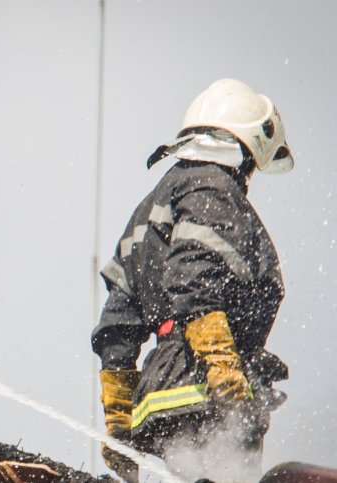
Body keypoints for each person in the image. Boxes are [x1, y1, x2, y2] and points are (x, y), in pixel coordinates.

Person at [91, 78, 292, 482]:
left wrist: (119, 415)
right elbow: (194, 279)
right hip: (205, 389)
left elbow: (118, 319)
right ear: (247, 150)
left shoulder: (150, 207)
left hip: (161, 397)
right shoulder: (211, 188)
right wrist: (222, 367)